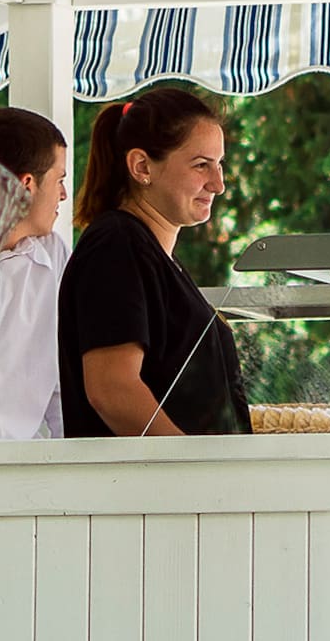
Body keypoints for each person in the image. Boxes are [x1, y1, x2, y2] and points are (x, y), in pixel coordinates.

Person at [59, 87, 250, 438]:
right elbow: (112, 389)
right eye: (201, 165)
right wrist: (191, 471)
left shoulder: (150, 252)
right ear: (142, 166)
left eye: (219, 164)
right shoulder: (116, 244)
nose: (218, 184)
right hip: (152, 489)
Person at [0, 107, 70, 441]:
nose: (64, 195)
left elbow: (63, 382)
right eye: (59, 180)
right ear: (26, 186)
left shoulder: (54, 256)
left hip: (25, 473)